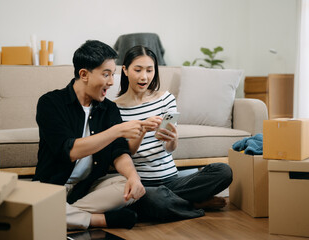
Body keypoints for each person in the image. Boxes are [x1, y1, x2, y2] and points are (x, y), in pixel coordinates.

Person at [33, 40, 148, 230]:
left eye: (113, 74)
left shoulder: (108, 109)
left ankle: (57, 215)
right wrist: (116, 131)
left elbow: (119, 152)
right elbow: (69, 151)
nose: (111, 82)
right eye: (106, 74)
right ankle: (96, 220)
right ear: (84, 74)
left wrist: (134, 177)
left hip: (88, 189)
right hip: (52, 187)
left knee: (126, 185)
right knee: (29, 198)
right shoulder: (50, 103)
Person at [114, 45, 233, 221]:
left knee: (223, 171)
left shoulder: (165, 99)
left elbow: (169, 149)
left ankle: (174, 202)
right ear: (125, 70)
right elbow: (126, 152)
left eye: (149, 70)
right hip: (143, 184)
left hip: (172, 180)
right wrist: (141, 130)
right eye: (137, 70)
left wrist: (173, 140)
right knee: (155, 199)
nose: (144, 77)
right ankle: (193, 203)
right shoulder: (114, 108)